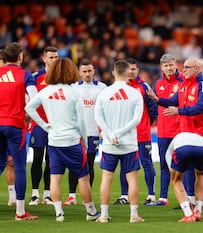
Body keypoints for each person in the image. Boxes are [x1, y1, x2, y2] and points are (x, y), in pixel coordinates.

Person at [25, 58, 100, 222]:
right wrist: (86, 143)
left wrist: (45, 126)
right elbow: (81, 122)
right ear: (70, 71)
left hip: (54, 142)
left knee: (55, 178)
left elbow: (29, 107)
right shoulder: (74, 92)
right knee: (83, 177)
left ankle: (59, 213)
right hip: (72, 142)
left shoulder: (45, 91)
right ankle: (91, 212)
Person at [147, 57, 203, 210]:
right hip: (187, 132)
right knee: (189, 166)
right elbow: (173, 101)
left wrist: (179, 112)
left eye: (187, 67)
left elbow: (201, 107)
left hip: (201, 133)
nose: (184, 70)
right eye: (183, 67)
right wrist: (158, 100)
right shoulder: (184, 85)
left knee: (202, 169)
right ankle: (190, 200)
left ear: (197, 68)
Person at [94, 60, 144, 223]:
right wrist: (120, 133)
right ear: (129, 73)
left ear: (113, 73)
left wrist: (110, 134)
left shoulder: (104, 93)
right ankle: (134, 215)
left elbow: (98, 117)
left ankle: (103, 215)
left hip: (109, 143)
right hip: (129, 142)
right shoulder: (135, 93)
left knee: (107, 178)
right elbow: (136, 120)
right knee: (132, 178)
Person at [0, 42, 38, 220]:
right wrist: (28, 114)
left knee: (1, 163)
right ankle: (20, 212)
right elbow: (35, 99)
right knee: (20, 167)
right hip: (15, 125)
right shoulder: (25, 75)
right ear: (20, 56)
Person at [113, 57, 158, 205]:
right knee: (125, 166)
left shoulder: (144, 87)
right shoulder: (119, 87)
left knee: (147, 163)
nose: (131, 72)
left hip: (142, 135)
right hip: (125, 135)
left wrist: (144, 125)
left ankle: (151, 195)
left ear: (138, 70)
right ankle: (124, 196)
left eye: (134, 69)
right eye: (129, 69)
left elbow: (153, 110)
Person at [63, 59, 106, 206]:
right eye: (85, 71)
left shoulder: (102, 88)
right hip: (76, 134)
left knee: (89, 164)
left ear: (94, 71)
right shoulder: (73, 88)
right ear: (79, 73)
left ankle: (86, 195)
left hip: (93, 133)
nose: (88, 74)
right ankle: (71, 195)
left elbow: (105, 110)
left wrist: (103, 129)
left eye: (90, 71)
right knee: (74, 164)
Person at [152, 53, 184, 206]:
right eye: (165, 65)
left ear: (175, 64)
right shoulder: (158, 84)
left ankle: (186, 198)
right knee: (164, 164)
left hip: (180, 130)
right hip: (163, 131)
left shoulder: (184, 81)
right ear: (161, 67)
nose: (169, 68)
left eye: (171, 65)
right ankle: (163, 198)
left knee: (183, 165)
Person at [28, 46, 58, 206]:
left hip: (56, 125)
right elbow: (29, 100)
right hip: (39, 124)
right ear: (44, 59)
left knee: (51, 159)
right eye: (51, 57)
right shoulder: (36, 77)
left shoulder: (62, 78)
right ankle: (34, 194)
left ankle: (47, 194)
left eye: (56, 57)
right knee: (38, 157)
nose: (54, 60)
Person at [165, 132, 203, 222]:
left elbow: (168, 158)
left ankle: (188, 214)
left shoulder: (172, 145)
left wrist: (173, 173)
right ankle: (198, 209)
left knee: (176, 180)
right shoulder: (194, 136)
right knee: (200, 174)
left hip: (183, 148)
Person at [0, 49, 16, 206]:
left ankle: (12, 196)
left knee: (11, 161)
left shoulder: (14, 79)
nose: (3, 65)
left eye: (5, 61)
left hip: (11, 124)